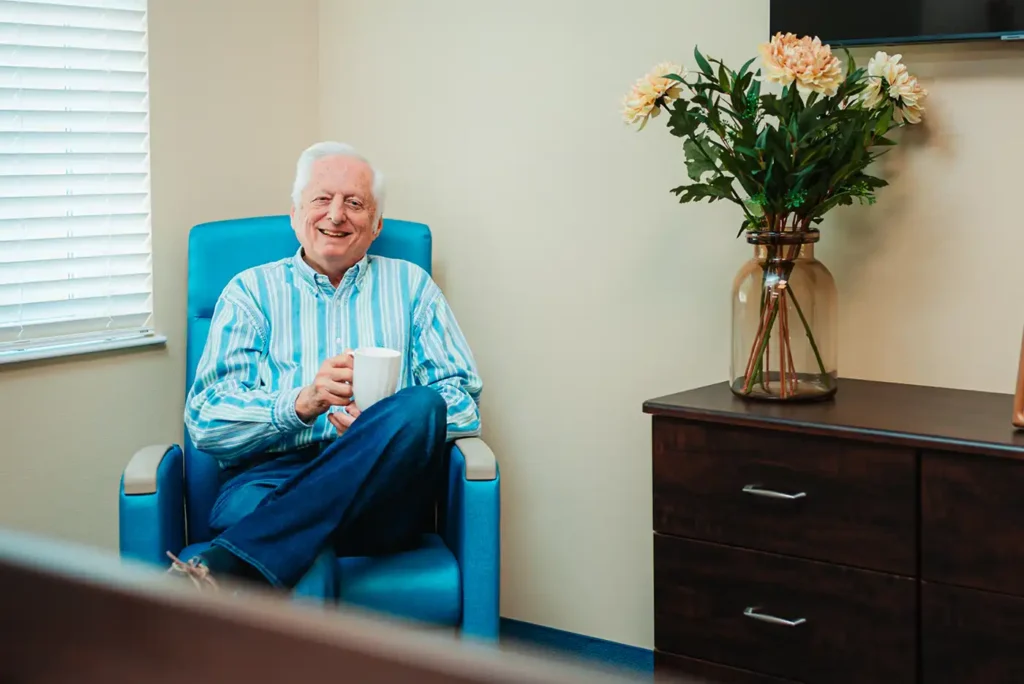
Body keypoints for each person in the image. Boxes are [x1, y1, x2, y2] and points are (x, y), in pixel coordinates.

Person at [168, 141, 482, 592]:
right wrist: (301, 402)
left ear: (376, 225)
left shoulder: (412, 287)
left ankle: (224, 564)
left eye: (354, 203)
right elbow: (206, 419)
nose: (336, 215)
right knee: (296, 541)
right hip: (266, 482)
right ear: (295, 213)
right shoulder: (250, 291)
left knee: (423, 404)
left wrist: (377, 425)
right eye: (321, 199)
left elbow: (465, 406)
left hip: (380, 493)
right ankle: (268, 550)